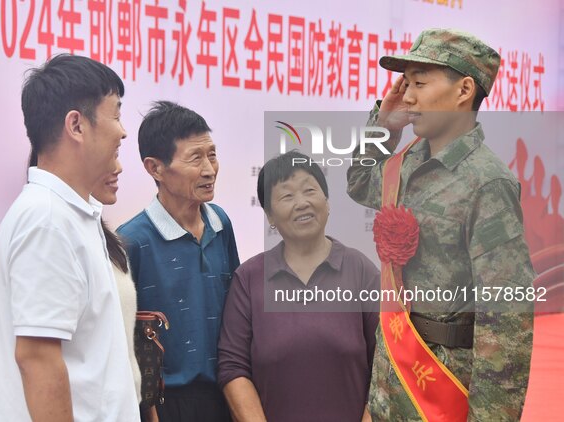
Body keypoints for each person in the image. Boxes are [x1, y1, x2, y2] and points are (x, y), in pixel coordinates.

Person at [347, 28, 535, 421]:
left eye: (419, 82)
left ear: (464, 90)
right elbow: (361, 182)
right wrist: (385, 127)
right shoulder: (408, 162)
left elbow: (507, 316)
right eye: (406, 83)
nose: (408, 96)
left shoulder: (487, 182)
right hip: (391, 377)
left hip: (444, 383)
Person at [0, 54, 139, 421]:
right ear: (76, 125)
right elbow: (37, 359)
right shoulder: (47, 220)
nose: (123, 131)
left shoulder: (70, 215)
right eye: (116, 114)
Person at [218, 150, 379, 422]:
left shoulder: (360, 270)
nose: (302, 203)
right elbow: (233, 367)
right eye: (286, 196)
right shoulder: (249, 278)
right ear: (269, 215)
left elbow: (388, 365)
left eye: (309, 190)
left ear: (327, 202)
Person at [117, 101, 240, 422]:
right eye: (195, 158)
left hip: (225, 394)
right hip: (166, 403)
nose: (209, 169)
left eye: (212, 154)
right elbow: (123, 339)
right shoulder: (131, 241)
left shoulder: (221, 223)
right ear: (155, 168)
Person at [90, 160, 159, 422]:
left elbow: (128, 344)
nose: (119, 167)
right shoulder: (49, 229)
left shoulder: (111, 241)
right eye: (109, 155)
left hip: (126, 406)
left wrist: (146, 407)